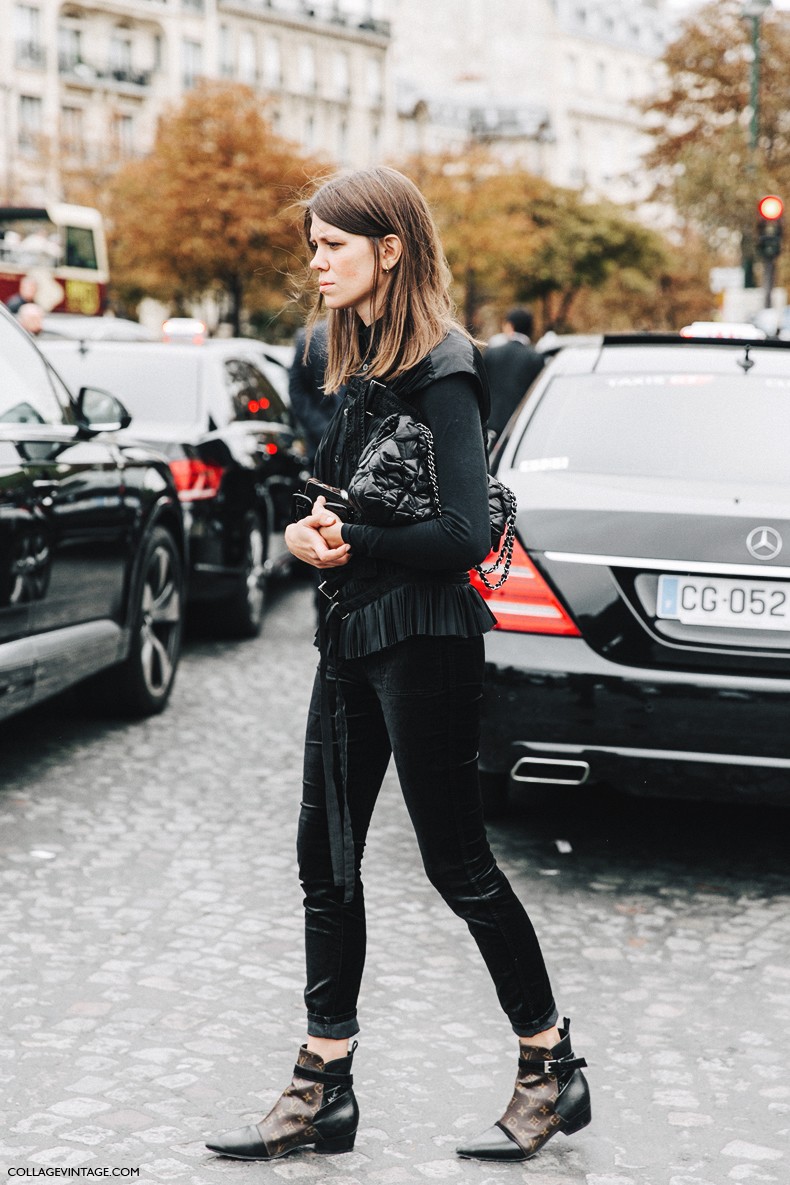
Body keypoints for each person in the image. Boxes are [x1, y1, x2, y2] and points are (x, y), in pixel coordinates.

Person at [206, 166, 590, 1166]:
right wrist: (311, 539)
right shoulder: (357, 362)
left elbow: (462, 533)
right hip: (349, 634)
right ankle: (320, 1086)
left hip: (423, 640)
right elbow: (352, 504)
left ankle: (550, 1065)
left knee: (454, 864)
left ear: (390, 248)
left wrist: (360, 544)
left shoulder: (442, 367)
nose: (316, 263)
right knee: (323, 861)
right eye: (312, 246)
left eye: (333, 245)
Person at [483, 307, 544, 441]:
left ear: (510, 326)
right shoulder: (535, 358)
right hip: (521, 427)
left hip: (491, 425)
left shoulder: (492, 353)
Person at [288, 319, 342, 464]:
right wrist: (327, 432)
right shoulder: (310, 337)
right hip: (321, 450)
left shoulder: (378, 336)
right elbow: (297, 392)